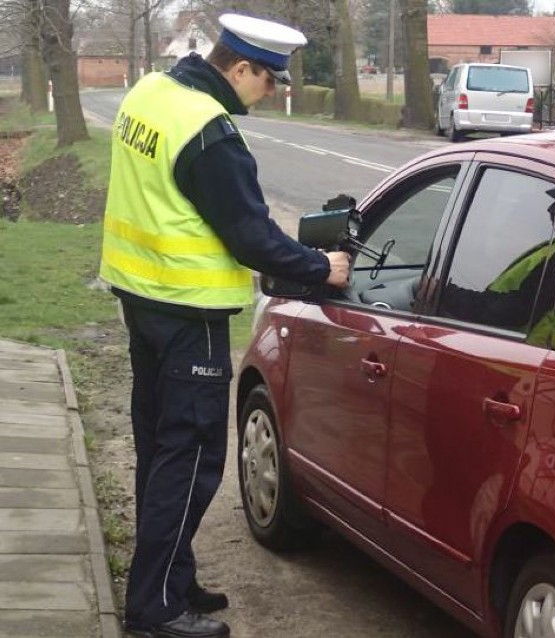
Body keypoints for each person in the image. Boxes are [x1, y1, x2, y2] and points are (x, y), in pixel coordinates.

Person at [98, 13, 350, 638]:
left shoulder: (152, 93)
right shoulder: (211, 135)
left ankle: (169, 581)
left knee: (160, 448)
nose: (272, 94)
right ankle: (154, 611)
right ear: (240, 69)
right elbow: (251, 237)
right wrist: (323, 267)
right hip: (191, 314)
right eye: (269, 82)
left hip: (141, 298)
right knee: (190, 459)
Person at [440, 187, 555, 347]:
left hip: (512, 354)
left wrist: (446, 294)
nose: (550, 209)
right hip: (510, 347)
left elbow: (516, 309)